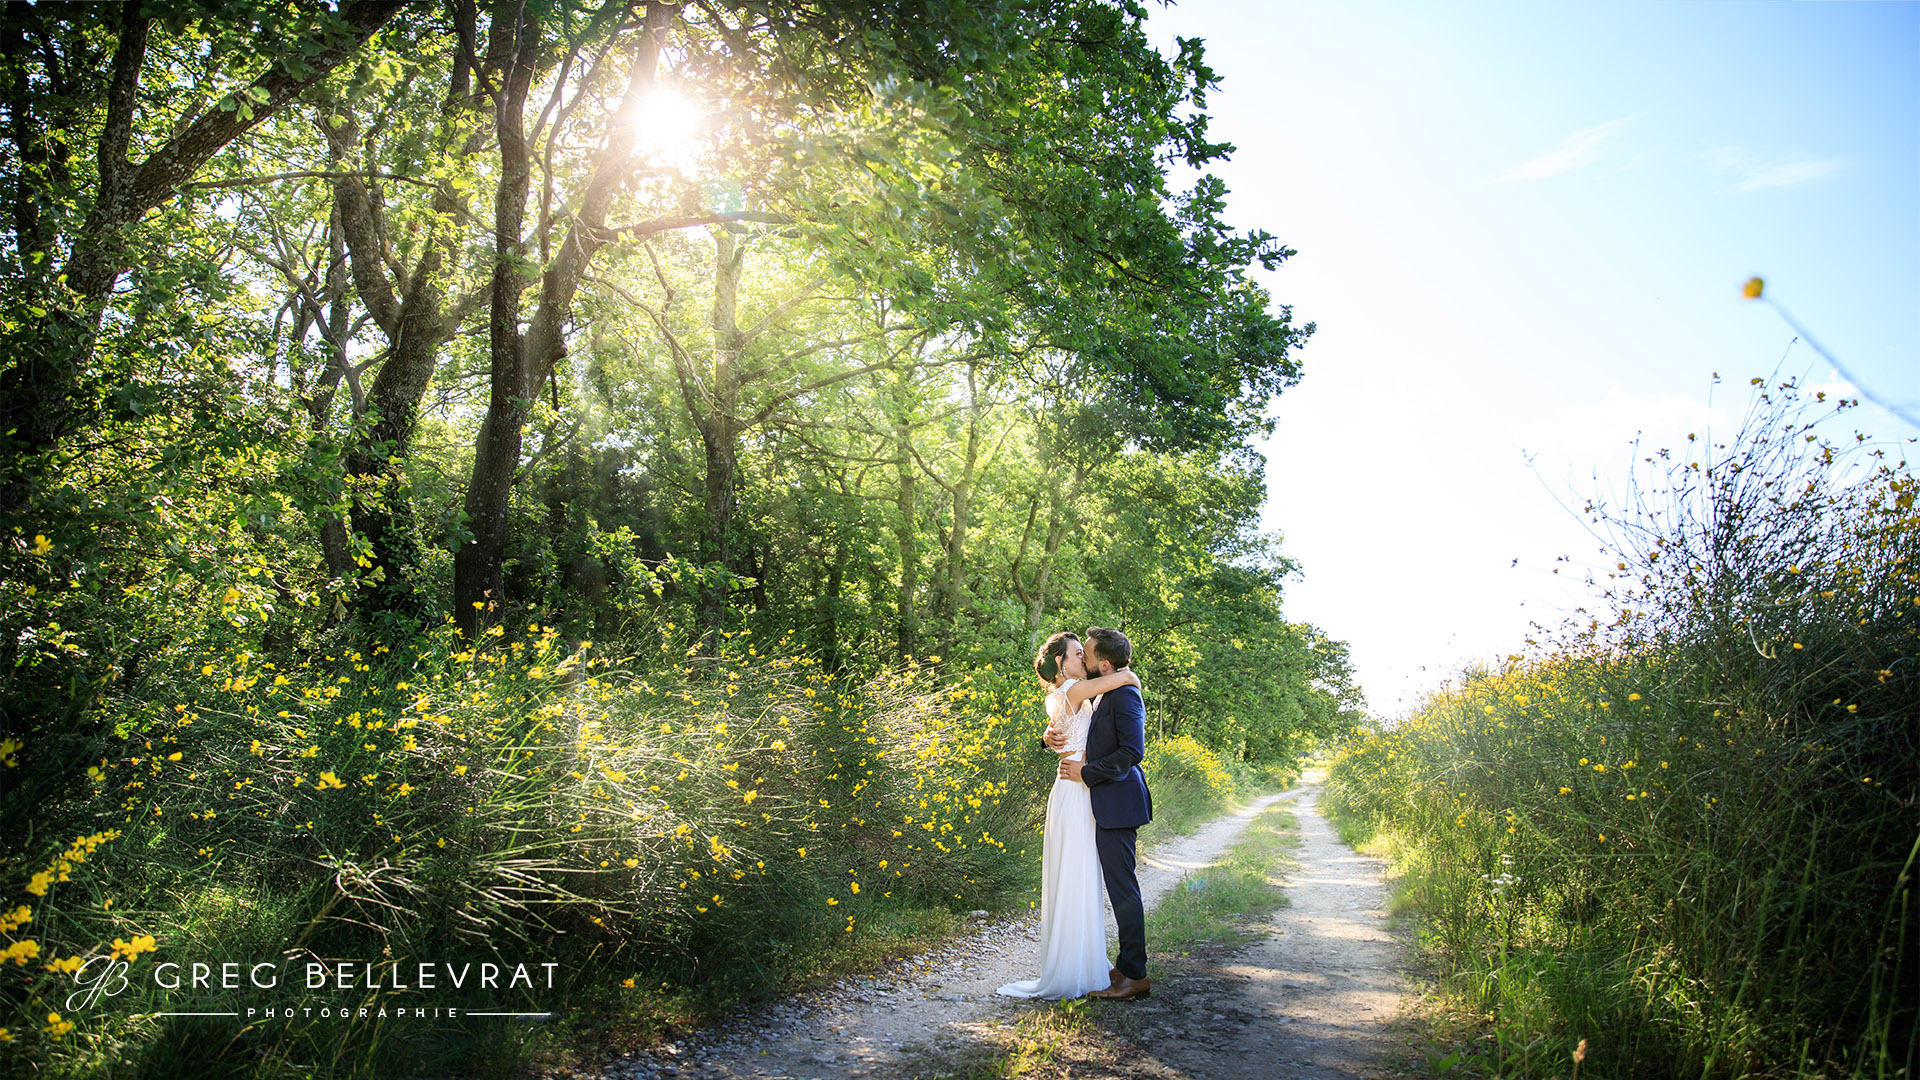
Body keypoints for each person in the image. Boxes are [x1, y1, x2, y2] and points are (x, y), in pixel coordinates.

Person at [995, 631, 1140, 1001]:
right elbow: (1124, 677)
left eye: (1084, 653)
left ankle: (1087, 961)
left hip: (1079, 790)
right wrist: (1129, 675)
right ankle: (1078, 966)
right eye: (1077, 654)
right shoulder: (1075, 691)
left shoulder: (1067, 694)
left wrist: (1049, 738)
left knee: (1080, 876)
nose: (1083, 659)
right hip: (1075, 792)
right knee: (1076, 875)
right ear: (1061, 663)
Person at [1053, 625, 1153, 1001]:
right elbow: (1070, 725)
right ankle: (1124, 966)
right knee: (1113, 887)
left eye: (1088, 654)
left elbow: (1131, 753)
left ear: (1104, 664)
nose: (1084, 658)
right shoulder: (1103, 693)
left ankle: (1135, 975)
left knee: (1122, 889)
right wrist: (1048, 738)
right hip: (1098, 804)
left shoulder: (1126, 694)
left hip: (1118, 804)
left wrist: (1086, 774)